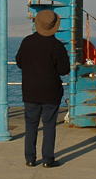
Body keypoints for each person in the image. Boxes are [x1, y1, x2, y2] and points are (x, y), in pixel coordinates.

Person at [15, 9, 70, 168]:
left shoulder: (27, 42)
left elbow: (19, 62)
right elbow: (64, 70)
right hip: (51, 92)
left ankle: (30, 158)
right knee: (49, 125)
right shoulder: (57, 46)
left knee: (31, 125)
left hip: (30, 91)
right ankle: (48, 159)